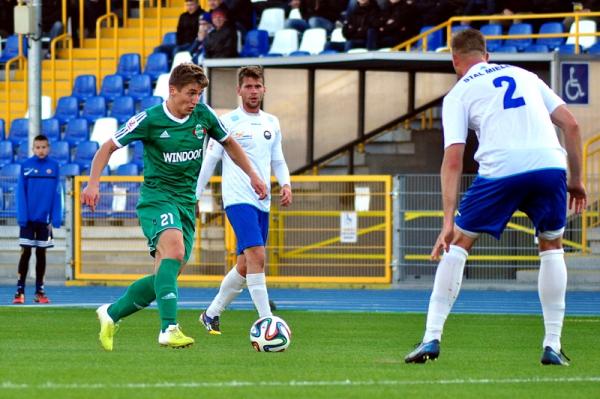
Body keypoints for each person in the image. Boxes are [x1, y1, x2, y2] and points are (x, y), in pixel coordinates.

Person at [404, 29, 586, 366]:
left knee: (458, 242)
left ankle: (431, 337)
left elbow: (454, 157)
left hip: (501, 169)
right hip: (549, 165)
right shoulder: (525, 75)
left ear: (455, 61)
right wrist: (576, 180)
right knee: (552, 245)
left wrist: (447, 220)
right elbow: (571, 125)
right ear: (486, 54)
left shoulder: (459, 93)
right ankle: (552, 344)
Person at [81, 63, 267, 351]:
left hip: (184, 202)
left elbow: (229, 144)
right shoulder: (150, 119)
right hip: (157, 199)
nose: (194, 100)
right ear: (172, 90)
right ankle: (169, 328)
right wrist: (93, 184)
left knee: (165, 275)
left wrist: (254, 175)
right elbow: (107, 147)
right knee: (176, 251)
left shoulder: (203, 116)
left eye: (199, 95)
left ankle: (112, 313)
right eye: (190, 94)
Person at [196, 66, 292, 335]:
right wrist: (195, 195)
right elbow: (211, 159)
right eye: (248, 86)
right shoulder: (227, 121)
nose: (253, 91)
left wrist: (286, 184)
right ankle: (268, 322)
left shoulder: (271, 122)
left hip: (263, 200)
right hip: (237, 199)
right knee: (258, 256)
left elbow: (278, 160)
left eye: (257, 86)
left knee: (245, 263)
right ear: (238, 90)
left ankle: (211, 313)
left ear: (264, 89)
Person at [13, 135, 63, 305]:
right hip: (28, 220)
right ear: (33, 149)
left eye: (44, 147)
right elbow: (20, 192)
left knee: (41, 254)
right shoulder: (25, 166)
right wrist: (22, 216)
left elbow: (58, 193)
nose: (41, 150)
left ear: (48, 148)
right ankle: (19, 291)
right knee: (25, 253)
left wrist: (56, 217)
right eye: (37, 147)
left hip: (45, 220)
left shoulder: (54, 166)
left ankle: (39, 291)